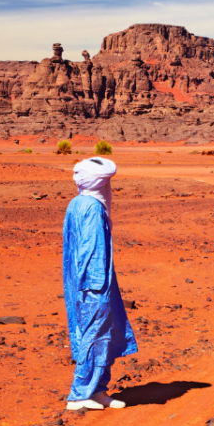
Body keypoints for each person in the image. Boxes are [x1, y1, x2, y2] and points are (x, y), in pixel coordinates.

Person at [63, 156, 137, 410]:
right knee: (95, 333)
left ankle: (96, 390)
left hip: (84, 279)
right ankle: (79, 394)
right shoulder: (92, 207)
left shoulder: (77, 202)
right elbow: (90, 249)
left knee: (101, 332)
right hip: (93, 283)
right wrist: (96, 286)